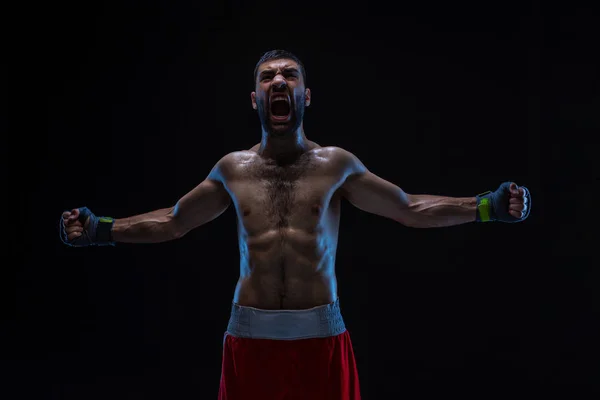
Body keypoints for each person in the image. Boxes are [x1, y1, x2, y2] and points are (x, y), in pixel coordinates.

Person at [59, 49, 531, 400]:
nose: (278, 81)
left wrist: (485, 205)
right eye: (268, 77)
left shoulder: (336, 165)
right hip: (249, 341)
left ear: (306, 95)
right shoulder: (232, 169)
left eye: (289, 75)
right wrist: (101, 228)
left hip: (322, 340)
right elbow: (174, 221)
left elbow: (408, 207)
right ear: (255, 98)